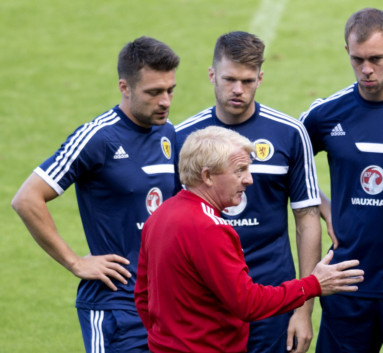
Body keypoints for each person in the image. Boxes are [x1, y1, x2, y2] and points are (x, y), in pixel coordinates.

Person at [11, 36, 179, 352]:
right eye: (154, 92)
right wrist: (75, 262)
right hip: (115, 306)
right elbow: (26, 198)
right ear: (125, 88)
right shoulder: (97, 138)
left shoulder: (169, 133)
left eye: (170, 90)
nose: (166, 101)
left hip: (164, 305)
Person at [134, 125, 363, 353]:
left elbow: (143, 297)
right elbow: (248, 303)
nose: (249, 179)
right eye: (240, 170)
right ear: (208, 176)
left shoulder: (159, 215)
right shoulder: (209, 228)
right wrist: (312, 284)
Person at [175, 31, 322, 353]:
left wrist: (304, 308)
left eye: (247, 80)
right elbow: (170, 222)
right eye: (229, 79)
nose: (238, 90)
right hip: (206, 294)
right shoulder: (184, 137)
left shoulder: (289, 133)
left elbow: (308, 217)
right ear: (212, 75)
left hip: (273, 291)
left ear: (260, 77)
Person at [299, 8, 383, 352]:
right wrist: (322, 205)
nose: (366, 69)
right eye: (357, 59)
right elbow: (288, 163)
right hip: (345, 281)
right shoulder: (327, 113)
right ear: (346, 52)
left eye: (375, 58)